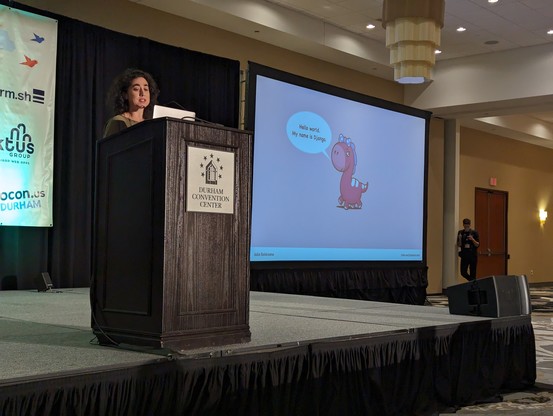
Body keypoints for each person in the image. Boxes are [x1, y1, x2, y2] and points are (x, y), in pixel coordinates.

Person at [103, 68, 160, 138]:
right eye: (136, 89)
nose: (142, 93)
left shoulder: (152, 124)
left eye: (146, 89)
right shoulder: (118, 122)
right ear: (125, 95)